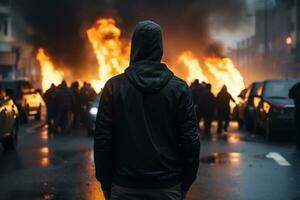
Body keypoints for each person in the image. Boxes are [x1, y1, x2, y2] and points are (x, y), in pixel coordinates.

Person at [94, 21, 200, 200]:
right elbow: (190, 142)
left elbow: (103, 141)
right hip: (167, 187)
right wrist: (186, 183)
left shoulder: (113, 87)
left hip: (124, 186)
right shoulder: (180, 88)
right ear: (160, 47)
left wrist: (105, 183)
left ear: (134, 47)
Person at [289, 82, 300, 151]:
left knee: (298, 128)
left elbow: (290, 95)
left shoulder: (297, 86)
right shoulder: (297, 86)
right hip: (298, 111)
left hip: (298, 111)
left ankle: (298, 145)